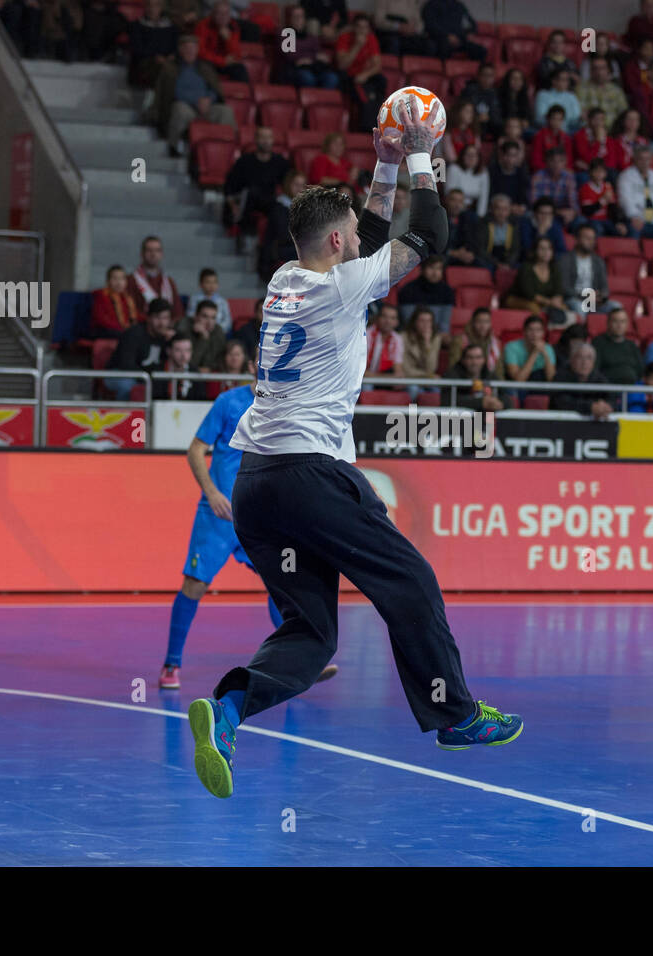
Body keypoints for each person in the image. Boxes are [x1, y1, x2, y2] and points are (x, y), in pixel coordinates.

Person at [189, 108, 521, 800]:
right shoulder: (342, 286)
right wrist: (425, 153)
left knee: (312, 633)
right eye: (349, 235)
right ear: (335, 242)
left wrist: (387, 162)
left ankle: (228, 711)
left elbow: (365, 231)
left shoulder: (287, 278)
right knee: (411, 582)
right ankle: (455, 715)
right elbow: (429, 234)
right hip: (311, 474)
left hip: (256, 485)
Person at [160, 352, 338, 688]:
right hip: (221, 514)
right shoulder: (228, 402)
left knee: (283, 585)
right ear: (251, 367)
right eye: (260, 361)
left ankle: (302, 664)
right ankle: (171, 665)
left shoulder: (285, 406)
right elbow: (195, 450)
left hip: (263, 516)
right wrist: (211, 492)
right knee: (194, 586)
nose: (266, 366)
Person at [155, 32, 236, 157]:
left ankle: (229, 149)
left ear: (197, 50)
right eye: (186, 48)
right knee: (179, 109)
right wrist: (196, 101)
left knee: (226, 111)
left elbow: (214, 88)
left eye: (193, 48)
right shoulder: (171, 68)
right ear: (180, 50)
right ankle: (173, 146)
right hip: (186, 107)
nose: (190, 51)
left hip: (207, 107)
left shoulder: (205, 67)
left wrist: (209, 99)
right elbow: (173, 92)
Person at [222, 127, 290, 241]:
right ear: (256, 140)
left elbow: (289, 184)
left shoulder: (280, 162)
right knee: (251, 193)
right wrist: (233, 206)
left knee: (280, 207)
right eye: (262, 137)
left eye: (269, 137)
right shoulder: (244, 161)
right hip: (247, 200)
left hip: (269, 200)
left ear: (273, 140)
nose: (266, 141)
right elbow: (229, 187)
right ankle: (243, 233)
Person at [106, 297, 177, 399]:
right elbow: (126, 365)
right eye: (157, 317)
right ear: (148, 318)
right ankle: (127, 414)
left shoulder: (168, 336)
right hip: (120, 373)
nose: (162, 323)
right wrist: (149, 378)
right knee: (128, 386)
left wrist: (172, 342)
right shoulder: (133, 334)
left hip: (149, 377)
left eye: (165, 318)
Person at [506, 237, 569, 327]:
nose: (546, 252)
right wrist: (550, 302)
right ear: (535, 251)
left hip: (544, 302)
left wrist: (557, 300)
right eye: (542, 248)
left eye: (549, 248)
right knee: (534, 308)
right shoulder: (526, 268)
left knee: (565, 309)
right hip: (519, 299)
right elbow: (529, 293)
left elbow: (558, 290)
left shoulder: (554, 268)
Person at [558, 224, 618, 319]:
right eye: (587, 238)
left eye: (592, 238)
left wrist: (601, 296)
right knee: (579, 307)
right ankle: (583, 333)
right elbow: (564, 287)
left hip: (594, 301)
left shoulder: (598, 261)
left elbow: (605, 287)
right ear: (577, 239)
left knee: (615, 307)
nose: (591, 242)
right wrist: (586, 296)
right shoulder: (565, 260)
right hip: (574, 299)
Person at [551, 343, 616, 419]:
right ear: (571, 359)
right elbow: (562, 402)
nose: (584, 362)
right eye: (580, 357)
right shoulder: (560, 376)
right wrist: (590, 407)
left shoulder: (599, 378)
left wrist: (606, 406)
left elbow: (612, 398)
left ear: (594, 362)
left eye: (589, 358)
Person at [397, 254, 455, 331]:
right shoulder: (408, 289)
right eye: (431, 268)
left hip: (436, 335)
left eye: (439, 268)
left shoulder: (447, 291)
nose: (435, 273)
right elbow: (408, 321)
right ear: (422, 269)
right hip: (412, 333)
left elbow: (444, 323)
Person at [129, 235, 183, 318]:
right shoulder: (131, 280)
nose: (153, 254)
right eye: (149, 250)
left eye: (157, 250)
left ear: (161, 254)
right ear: (142, 254)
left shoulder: (169, 282)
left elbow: (177, 312)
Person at [591, 307, 644, 385]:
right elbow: (594, 372)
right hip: (608, 390)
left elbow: (641, 371)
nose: (619, 325)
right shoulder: (598, 343)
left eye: (622, 322)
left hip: (632, 389)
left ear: (627, 324)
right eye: (615, 321)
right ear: (608, 323)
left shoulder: (632, 345)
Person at [446, 343, 505, 412]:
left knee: (491, 414)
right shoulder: (452, 376)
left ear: (484, 360)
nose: (474, 362)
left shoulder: (490, 375)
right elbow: (447, 401)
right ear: (463, 360)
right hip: (460, 420)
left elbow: (507, 399)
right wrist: (480, 402)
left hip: (485, 418)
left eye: (478, 357)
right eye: (470, 358)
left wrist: (500, 403)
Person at [420, 0, 485, 61]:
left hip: (460, 39)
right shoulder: (430, 5)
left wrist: (471, 32)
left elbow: (471, 23)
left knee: (480, 50)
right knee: (442, 47)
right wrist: (447, 36)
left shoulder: (459, 6)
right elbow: (431, 26)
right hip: (439, 40)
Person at [177, 298, 229, 372]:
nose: (210, 322)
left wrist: (209, 369)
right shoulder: (185, 329)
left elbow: (217, 363)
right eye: (205, 316)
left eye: (213, 318)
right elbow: (189, 364)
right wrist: (204, 338)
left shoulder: (218, 331)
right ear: (196, 317)